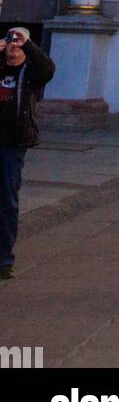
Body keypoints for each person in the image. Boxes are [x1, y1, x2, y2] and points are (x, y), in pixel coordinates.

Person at [0, 27, 55, 280]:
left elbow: (48, 68)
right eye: (10, 41)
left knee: (7, 201)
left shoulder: (31, 74)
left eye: (18, 42)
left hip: (12, 145)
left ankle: (4, 260)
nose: (13, 45)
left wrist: (29, 42)